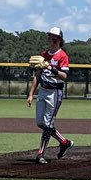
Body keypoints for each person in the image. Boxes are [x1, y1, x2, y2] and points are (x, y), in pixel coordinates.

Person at [26, 27, 73, 163]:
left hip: (55, 92)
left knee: (48, 123)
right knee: (40, 122)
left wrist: (51, 68)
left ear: (59, 40)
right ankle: (64, 142)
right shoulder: (43, 55)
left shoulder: (62, 55)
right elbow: (38, 76)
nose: (51, 40)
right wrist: (31, 94)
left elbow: (64, 76)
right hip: (43, 91)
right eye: (49, 37)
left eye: (54, 38)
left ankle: (40, 154)